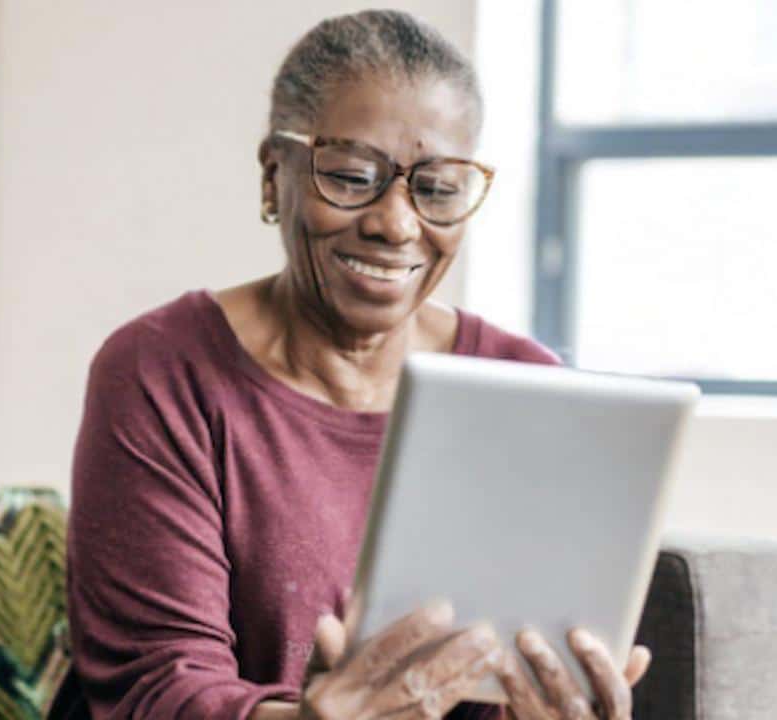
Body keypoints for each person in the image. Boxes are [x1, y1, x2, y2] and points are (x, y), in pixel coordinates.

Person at [65, 10, 649, 720]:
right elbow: (153, 685)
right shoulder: (162, 370)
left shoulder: (524, 386)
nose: (395, 224)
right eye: (349, 176)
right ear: (272, 174)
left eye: (436, 189)